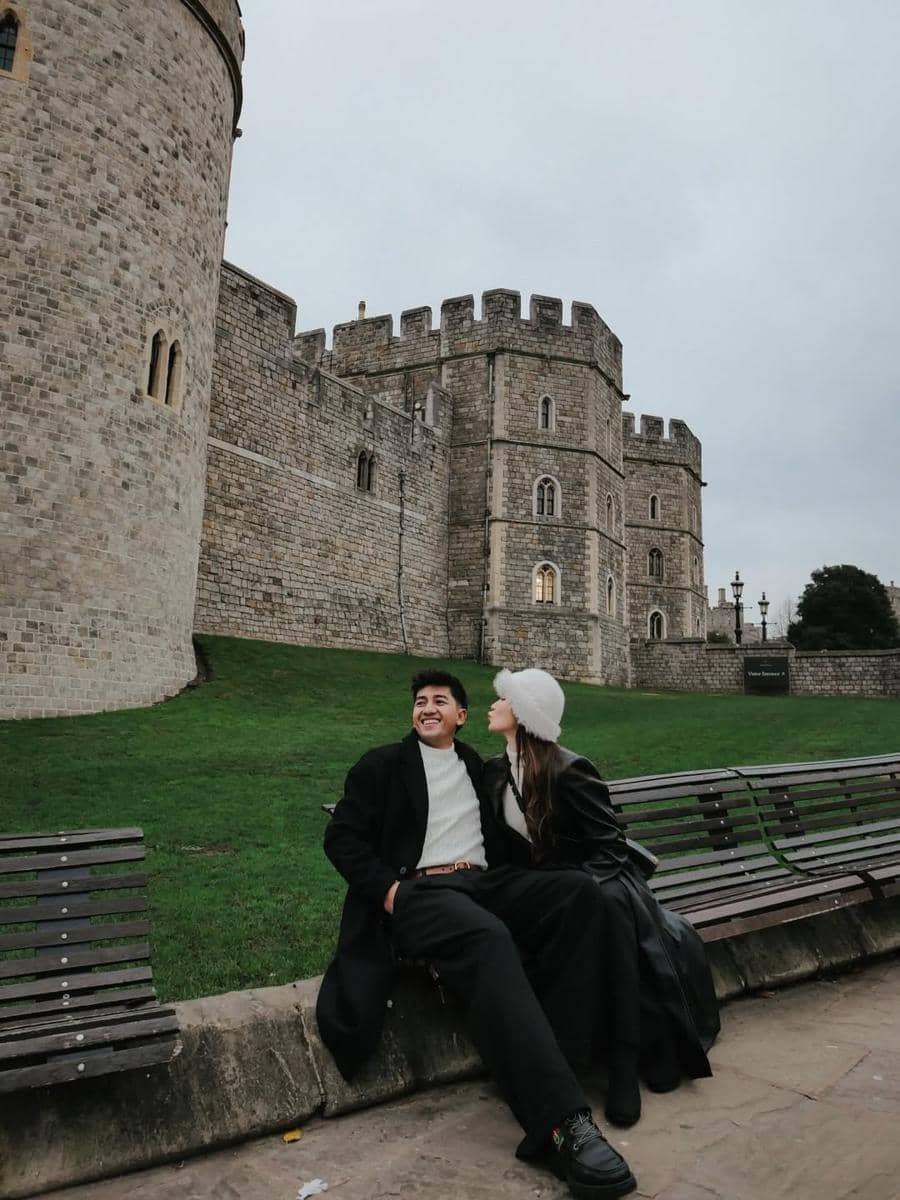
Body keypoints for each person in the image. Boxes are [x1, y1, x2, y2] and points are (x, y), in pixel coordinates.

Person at [317, 669, 638, 1199]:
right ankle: (562, 1125)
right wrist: (390, 892)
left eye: (439, 701)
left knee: (583, 894)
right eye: (419, 701)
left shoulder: (477, 768)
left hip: (485, 882)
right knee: (489, 939)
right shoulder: (381, 766)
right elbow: (342, 838)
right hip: (420, 894)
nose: (426, 708)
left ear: (460, 716)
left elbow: (519, 823)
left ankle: (569, 1053)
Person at [483, 667, 720, 1128]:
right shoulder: (494, 772)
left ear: (525, 715)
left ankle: (625, 1064)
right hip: (552, 887)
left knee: (604, 913)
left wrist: (577, 892)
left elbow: (610, 847)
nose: (494, 705)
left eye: (504, 699)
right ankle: (559, 1060)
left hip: (601, 878)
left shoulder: (570, 770)